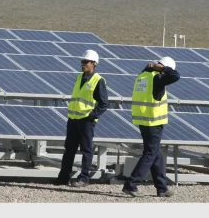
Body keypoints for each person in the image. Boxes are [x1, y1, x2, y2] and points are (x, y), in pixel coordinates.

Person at [122, 56, 180, 197]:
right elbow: (176, 76)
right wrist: (162, 69)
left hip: (143, 121)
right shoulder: (157, 78)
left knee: (156, 153)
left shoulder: (143, 76)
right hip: (154, 122)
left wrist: (152, 67)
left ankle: (162, 188)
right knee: (150, 154)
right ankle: (131, 184)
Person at [53, 49, 108, 187]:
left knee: (86, 150)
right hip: (73, 119)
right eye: (82, 61)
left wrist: (91, 116)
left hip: (86, 121)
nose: (83, 64)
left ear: (94, 63)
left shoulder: (98, 80)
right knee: (69, 149)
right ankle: (63, 177)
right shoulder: (79, 77)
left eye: (86, 62)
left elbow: (104, 103)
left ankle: (84, 178)